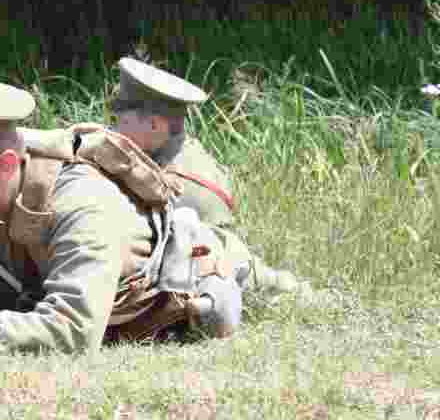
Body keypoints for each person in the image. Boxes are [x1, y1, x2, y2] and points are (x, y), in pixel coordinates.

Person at [0, 77, 248, 354]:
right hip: (35, 291)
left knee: (280, 289)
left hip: (192, 269)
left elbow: (72, 331)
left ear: (6, 165)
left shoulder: (79, 198)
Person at [80, 57, 302, 294]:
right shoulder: (173, 151)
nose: (115, 129)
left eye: (121, 120)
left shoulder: (179, 186)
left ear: (155, 126)